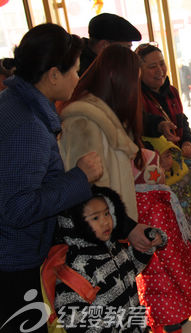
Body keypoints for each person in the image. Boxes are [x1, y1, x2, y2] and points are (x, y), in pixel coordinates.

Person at [0, 23, 103, 333]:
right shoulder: (27, 124)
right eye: (74, 71)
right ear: (53, 74)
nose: (77, 78)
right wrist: (79, 178)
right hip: (15, 261)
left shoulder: (15, 104)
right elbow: (17, 208)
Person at [59, 44, 157, 251]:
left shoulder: (107, 118)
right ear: (117, 80)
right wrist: (125, 226)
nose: (135, 91)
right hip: (98, 240)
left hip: (113, 231)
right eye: (134, 83)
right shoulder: (84, 122)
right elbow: (87, 194)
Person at [53, 185, 167, 332]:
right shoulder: (76, 266)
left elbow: (131, 267)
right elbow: (73, 318)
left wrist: (149, 243)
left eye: (107, 213)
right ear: (75, 224)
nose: (105, 221)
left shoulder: (112, 246)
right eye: (95, 217)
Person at [132, 149, 191, 333]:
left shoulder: (138, 202)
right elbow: (168, 250)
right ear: (150, 174)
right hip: (168, 276)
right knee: (172, 316)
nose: (164, 171)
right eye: (159, 168)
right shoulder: (156, 205)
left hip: (155, 277)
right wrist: (183, 276)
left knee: (165, 313)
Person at [142, 135, 191, 267]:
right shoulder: (157, 189)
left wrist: (189, 157)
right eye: (165, 157)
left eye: (170, 155)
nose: (170, 160)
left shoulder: (181, 171)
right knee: (188, 264)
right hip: (178, 237)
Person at [135, 43, 191, 159]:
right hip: (155, 163)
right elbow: (140, 123)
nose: (160, 70)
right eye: (152, 67)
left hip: (178, 161)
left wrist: (187, 142)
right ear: (139, 71)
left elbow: (181, 120)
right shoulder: (135, 96)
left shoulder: (172, 91)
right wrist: (159, 125)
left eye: (162, 64)